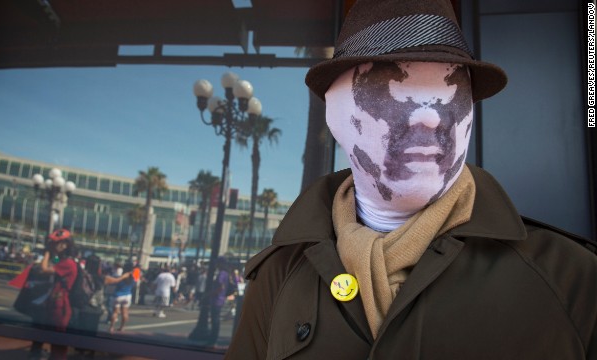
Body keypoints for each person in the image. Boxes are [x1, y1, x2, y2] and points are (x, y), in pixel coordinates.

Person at [226, 0, 597, 359]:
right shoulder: (279, 274)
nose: (430, 119)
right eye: (388, 91)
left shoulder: (573, 281)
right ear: (337, 115)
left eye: (451, 93)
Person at [34, 229, 78, 360]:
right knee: (52, 339)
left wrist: (46, 252)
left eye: (57, 243)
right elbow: (54, 261)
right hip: (55, 301)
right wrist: (51, 253)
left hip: (61, 304)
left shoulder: (68, 263)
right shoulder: (62, 260)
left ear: (65, 245)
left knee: (58, 344)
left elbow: (44, 269)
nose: (54, 246)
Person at [206, 257, 230, 347]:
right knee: (215, 320)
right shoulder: (226, 274)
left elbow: (221, 287)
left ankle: (213, 340)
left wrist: (211, 293)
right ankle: (213, 339)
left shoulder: (221, 274)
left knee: (215, 320)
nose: (216, 265)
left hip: (217, 299)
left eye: (218, 263)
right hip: (220, 299)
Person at [108, 262, 136, 333]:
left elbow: (115, 283)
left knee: (115, 312)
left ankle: (111, 327)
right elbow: (133, 285)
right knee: (125, 312)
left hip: (118, 295)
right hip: (127, 295)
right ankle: (122, 327)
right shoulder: (133, 278)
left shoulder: (121, 277)